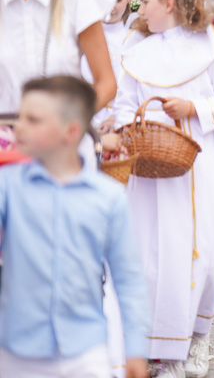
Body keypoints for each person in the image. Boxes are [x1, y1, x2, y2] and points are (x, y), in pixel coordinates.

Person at [114, 0, 214, 378]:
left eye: (148, 0)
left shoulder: (209, 44)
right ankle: (160, 350)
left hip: (198, 165)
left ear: (169, 3)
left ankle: (196, 338)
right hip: (149, 166)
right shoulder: (135, 48)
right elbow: (122, 103)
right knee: (152, 253)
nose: (141, 7)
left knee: (201, 253)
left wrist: (195, 108)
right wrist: (127, 125)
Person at [0, 76, 150, 378]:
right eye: (20, 117)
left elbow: (128, 276)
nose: (18, 126)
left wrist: (135, 348)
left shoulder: (108, 198)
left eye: (34, 119)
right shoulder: (8, 188)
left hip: (85, 350)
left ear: (71, 132)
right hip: (17, 350)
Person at [80, 0, 138, 133]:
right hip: (83, 120)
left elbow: (139, 92)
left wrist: (117, 118)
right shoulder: (79, 36)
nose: (110, 6)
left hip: (120, 123)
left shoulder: (135, 40)